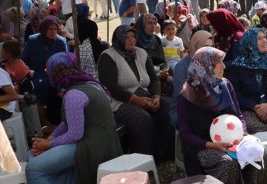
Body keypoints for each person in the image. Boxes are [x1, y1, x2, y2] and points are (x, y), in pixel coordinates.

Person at [176, 47, 267, 183]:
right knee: (228, 163)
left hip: (232, 140)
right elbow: (185, 134)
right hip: (202, 147)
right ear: (205, 66)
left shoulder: (225, 85)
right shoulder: (186, 96)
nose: (224, 66)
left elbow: (239, 115)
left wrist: (243, 134)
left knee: (258, 152)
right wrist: (211, 145)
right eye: (218, 63)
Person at [26, 53, 122, 184]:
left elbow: (75, 134)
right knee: (32, 154)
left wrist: (49, 145)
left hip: (94, 146)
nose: (46, 72)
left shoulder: (73, 94)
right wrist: (50, 138)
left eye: (48, 70)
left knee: (33, 168)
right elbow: (68, 122)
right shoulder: (89, 84)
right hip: (102, 141)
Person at [98, 25, 174, 159]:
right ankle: (145, 158)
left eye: (133, 36)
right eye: (126, 37)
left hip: (146, 97)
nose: (131, 40)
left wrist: (156, 97)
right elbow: (110, 86)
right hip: (120, 102)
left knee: (167, 107)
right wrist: (136, 100)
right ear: (118, 39)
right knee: (142, 118)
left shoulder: (141, 53)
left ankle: (164, 152)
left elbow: (154, 79)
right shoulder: (108, 56)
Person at [22, 16, 69, 106]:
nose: (53, 32)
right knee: (38, 85)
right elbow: (24, 59)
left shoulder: (61, 42)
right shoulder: (33, 40)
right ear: (44, 29)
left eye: (55, 29)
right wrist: (28, 71)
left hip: (55, 74)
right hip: (36, 73)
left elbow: (66, 60)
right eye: (50, 29)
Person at [171, 31, 213, 126]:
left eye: (211, 47)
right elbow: (181, 95)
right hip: (185, 110)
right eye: (205, 46)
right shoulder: (182, 66)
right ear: (196, 46)